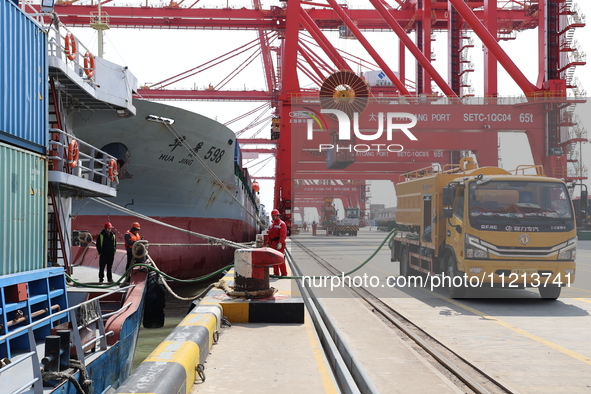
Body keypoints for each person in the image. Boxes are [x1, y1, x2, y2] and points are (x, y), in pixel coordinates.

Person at [267, 209, 288, 276]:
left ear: (278, 216)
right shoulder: (271, 225)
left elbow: (283, 235)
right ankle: (276, 273)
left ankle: (284, 274)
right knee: (273, 260)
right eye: (272, 216)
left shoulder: (282, 224)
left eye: (274, 216)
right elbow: (269, 236)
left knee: (280, 260)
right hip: (273, 244)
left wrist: (280, 243)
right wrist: (268, 243)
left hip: (279, 244)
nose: (273, 217)